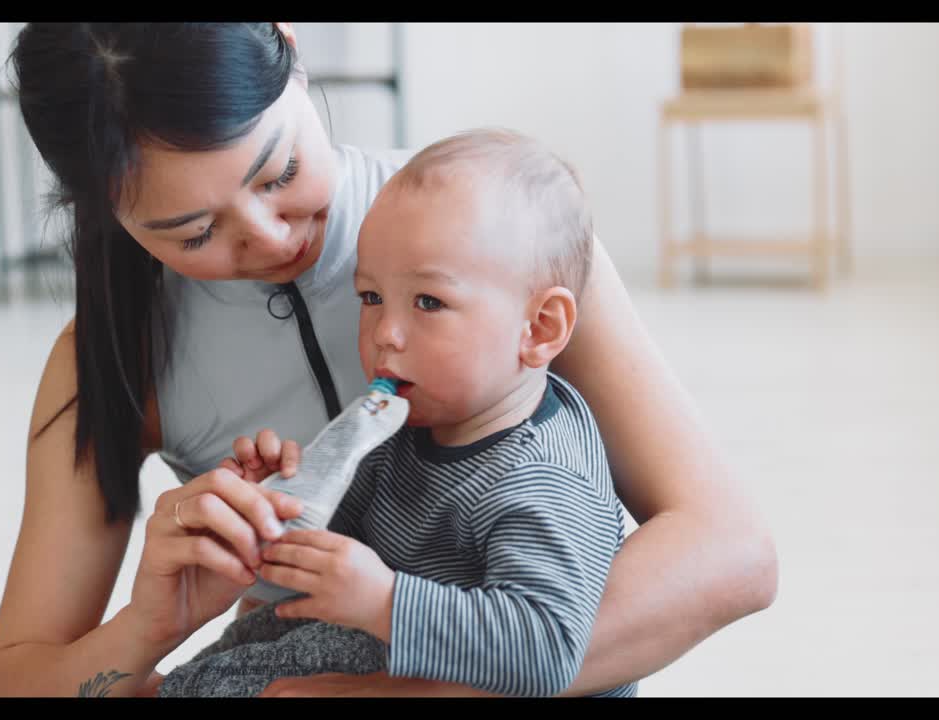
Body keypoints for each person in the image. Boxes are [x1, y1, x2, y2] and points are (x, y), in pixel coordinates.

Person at [0, 22, 778, 699]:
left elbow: (728, 554)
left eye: (281, 172)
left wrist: (397, 690)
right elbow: (14, 679)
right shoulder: (109, 357)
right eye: (193, 234)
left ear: (291, 44)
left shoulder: (499, 229)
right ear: (108, 214)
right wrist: (157, 620)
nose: (271, 236)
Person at [156, 128, 638, 698]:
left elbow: (548, 650)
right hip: (391, 641)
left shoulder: (543, 480)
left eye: (429, 302)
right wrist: (283, 503)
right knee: (248, 645)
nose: (385, 333)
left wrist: (383, 601)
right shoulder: (406, 425)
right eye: (371, 297)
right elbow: (345, 540)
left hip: (468, 673)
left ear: (539, 328)